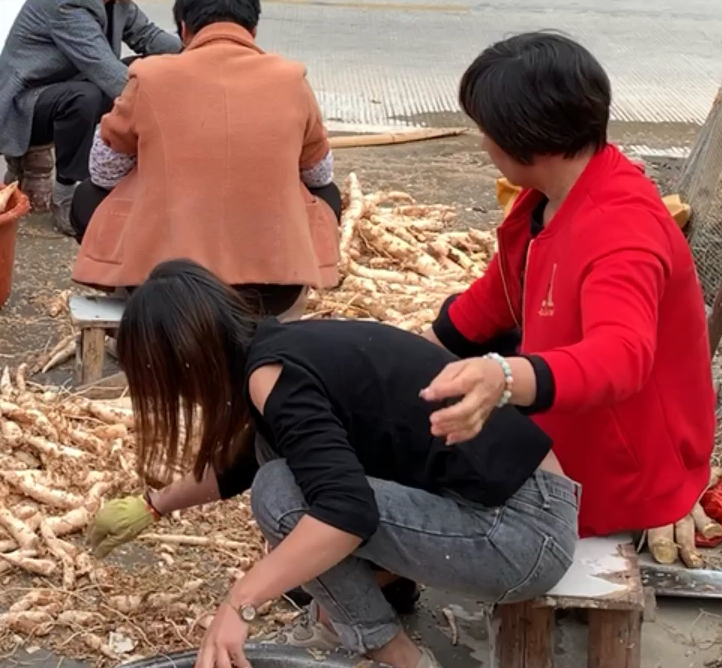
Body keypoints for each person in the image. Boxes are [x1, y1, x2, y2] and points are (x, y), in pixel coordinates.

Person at [88, 261, 577, 668]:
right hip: (527, 509)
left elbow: (347, 511)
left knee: (280, 493)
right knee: (275, 466)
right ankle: (346, 622)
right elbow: (242, 463)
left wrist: (241, 601)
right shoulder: (279, 351)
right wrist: (154, 506)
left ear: (183, 365)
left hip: (521, 535)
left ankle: (394, 655)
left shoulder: (271, 376)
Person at [421, 32, 716, 548]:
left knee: (407, 491)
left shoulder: (621, 229)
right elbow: (495, 297)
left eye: (485, 130)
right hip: (568, 427)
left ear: (523, 142)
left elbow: (620, 357)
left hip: (615, 468)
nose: (483, 143)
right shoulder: (550, 197)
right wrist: (407, 351)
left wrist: (505, 377)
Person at [71, 0, 340, 317]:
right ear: (253, 30)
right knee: (329, 195)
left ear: (184, 29)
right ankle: (282, 303)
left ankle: (138, 304)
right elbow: (319, 175)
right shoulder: (292, 80)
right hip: (272, 290)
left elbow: (104, 171)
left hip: (168, 289)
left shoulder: (149, 76)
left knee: (87, 196)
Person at [0, 0, 181, 234]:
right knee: (91, 96)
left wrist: (199, 51)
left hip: (64, 88)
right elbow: (108, 73)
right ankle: (68, 195)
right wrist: (173, 106)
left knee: (144, 66)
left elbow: (150, 38)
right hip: (23, 106)